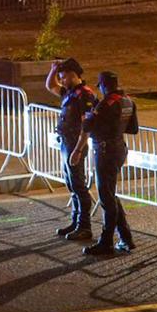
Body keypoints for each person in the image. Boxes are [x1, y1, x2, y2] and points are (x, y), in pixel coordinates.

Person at [71, 70, 139, 256]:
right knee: (110, 194)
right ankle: (125, 237)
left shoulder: (105, 104)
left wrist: (91, 116)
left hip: (105, 151)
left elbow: (87, 126)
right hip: (119, 148)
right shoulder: (128, 101)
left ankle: (106, 242)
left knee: (106, 198)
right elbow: (133, 128)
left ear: (103, 85)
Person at [45, 56, 97, 241]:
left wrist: (78, 149)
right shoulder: (70, 92)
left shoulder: (84, 95)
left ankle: (84, 226)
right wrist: (53, 69)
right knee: (71, 184)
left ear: (74, 75)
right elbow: (50, 86)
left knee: (79, 186)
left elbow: (86, 126)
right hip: (66, 142)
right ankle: (75, 222)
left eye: (64, 76)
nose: (61, 80)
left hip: (75, 144)